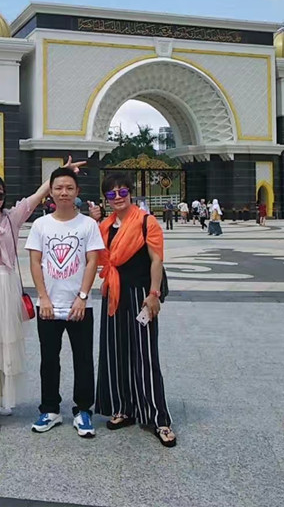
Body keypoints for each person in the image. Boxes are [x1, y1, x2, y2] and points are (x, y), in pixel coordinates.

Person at [0, 156, 86, 434]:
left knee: (6, 343)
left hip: (7, 287)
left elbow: (37, 196)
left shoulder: (11, 219)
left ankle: (1, 398)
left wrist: (59, 173)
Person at [89, 173, 176, 447]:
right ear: (106, 198)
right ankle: (123, 408)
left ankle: (158, 418)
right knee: (115, 352)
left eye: (122, 191)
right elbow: (96, 256)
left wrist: (153, 294)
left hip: (141, 295)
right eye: (111, 194)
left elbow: (156, 260)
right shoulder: (105, 226)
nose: (117, 197)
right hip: (114, 294)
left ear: (131, 192)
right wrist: (93, 222)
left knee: (145, 355)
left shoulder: (146, 222)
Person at [25, 167, 105, 437]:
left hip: (79, 306)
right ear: (50, 191)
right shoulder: (41, 225)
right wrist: (43, 298)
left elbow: (92, 261)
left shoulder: (88, 225)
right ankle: (50, 409)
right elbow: (35, 262)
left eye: (69, 188)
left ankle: (83, 410)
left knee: (83, 359)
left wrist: (82, 297)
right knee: (49, 359)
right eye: (58, 187)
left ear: (77, 192)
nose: (64, 192)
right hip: (48, 306)